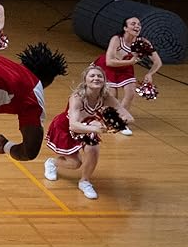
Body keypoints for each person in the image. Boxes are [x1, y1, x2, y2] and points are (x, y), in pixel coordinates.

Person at [43, 64, 134, 200]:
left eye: (99, 76)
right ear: (85, 80)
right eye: (92, 76)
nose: (96, 78)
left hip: (89, 127)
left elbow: (128, 117)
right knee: (75, 163)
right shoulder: (77, 97)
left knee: (93, 150)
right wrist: (96, 128)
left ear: (104, 80)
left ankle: (84, 181)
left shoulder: (107, 97)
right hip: (66, 127)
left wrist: (111, 124)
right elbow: (73, 125)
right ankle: (52, 162)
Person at [93, 16, 162, 136]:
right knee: (112, 96)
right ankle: (108, 117)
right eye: (133, 24)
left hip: (125, 68)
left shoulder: (143, 42)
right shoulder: (116, 39)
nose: (137, 26)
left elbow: (158, 62)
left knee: (130, 93)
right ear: (125, 28)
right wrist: (130, 62)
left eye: (139, 24)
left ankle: (120, 121)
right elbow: (109, 61)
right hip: (108, 67)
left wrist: (150, 73)